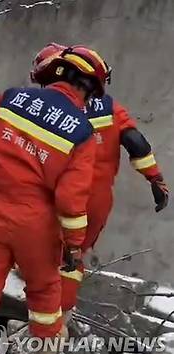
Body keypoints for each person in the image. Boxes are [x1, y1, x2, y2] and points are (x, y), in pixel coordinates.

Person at [0, 46, 110, 354]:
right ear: (91, 90)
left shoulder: (11, 98)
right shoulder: (81, 133)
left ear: (56, 71)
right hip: (38, 229)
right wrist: (73, 246)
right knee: (45, 292)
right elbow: (69, 201)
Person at [30, 43, 169, 312]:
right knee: (73, 257)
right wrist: (156, 179)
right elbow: (135, 142)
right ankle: (61, 314)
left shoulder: (49, 108)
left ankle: (30, 310)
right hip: (97, 201)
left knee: (38, 250)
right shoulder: (109, 107)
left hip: (58, 196)